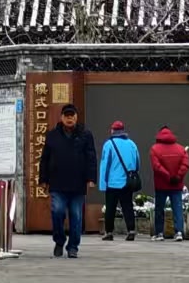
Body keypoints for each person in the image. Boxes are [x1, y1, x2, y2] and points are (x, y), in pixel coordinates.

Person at [39, 103, 95, 259]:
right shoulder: (52, 135)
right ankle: (59, 240)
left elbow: (91, 157)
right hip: (57, 183)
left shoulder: (85, 135)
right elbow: (45, 159)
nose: (69, 119)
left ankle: (73, 247)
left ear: (76, 117)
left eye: (72, 116)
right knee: (57, 211)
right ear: (62, 117)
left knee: (76, 216)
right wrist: (43, 179)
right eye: (67, 116)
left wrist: (91, 178)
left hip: (78, 183)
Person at [98, 120, 140, 241]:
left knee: (110, 208)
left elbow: (105, 165)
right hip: (127, 182)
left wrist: (103, 184)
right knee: (128, 206)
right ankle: (131, 230)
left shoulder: (109, 144)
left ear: (112, 131)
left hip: (112, 183)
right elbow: (137, 162)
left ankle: (109, 232)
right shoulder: (132, 144)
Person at [149, 125, 189, 240]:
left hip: (161, 185)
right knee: (177, 208)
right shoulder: (181, 149)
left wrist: (167, 176)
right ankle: (179, 232)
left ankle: (159, 233)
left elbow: (156, 166)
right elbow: (185, 165)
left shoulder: (154, 149)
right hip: (176, 184)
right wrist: (178, 176)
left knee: (159, 209)